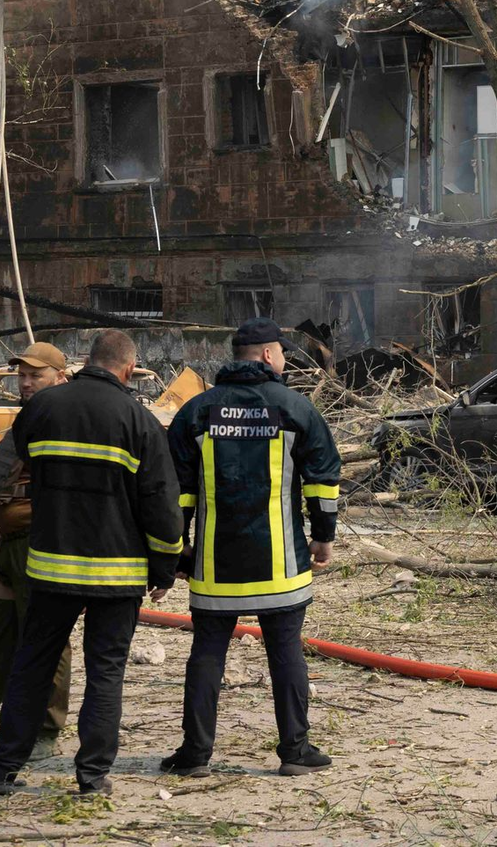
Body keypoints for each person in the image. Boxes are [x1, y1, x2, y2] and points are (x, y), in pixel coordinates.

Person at [0, 330, 182, 797]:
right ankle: (92, 775)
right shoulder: (139, 421)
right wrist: (165, 567)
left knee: (32, 664)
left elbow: (22, 457)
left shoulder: (41, 408)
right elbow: (161, 505)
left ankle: (4, 766)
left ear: (87, 362)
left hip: (50, 567)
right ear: (129, 368)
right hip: (117, 574)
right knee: (106, 671)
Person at [162, 317, 340, 779]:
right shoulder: (296, 408)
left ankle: (195, 755)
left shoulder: (196, 411)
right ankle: (295, 751)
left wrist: (179, 549)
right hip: (281, 564)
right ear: (267, 355)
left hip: (214, 566)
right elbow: (322, 480)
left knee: (207, 653)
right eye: (281, 353)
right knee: (286, 652)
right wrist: (324, 537)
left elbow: (177, 491)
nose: (284, 361)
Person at [0, 343, 72, 761]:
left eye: (35, 376)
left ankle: (46, 727)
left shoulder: (63, 418)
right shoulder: (28, 416)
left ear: (60, 377)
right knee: (8, 629)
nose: (25, 383)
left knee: (47, 633)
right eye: (22, 376)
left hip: (38, 540)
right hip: (7, 540)